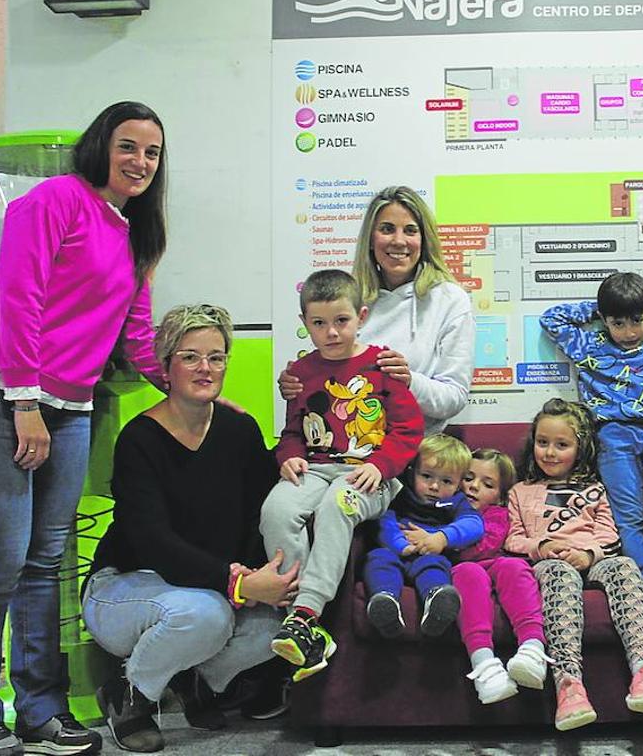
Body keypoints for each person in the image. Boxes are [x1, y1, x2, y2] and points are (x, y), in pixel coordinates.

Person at [0, 101, 169, 756]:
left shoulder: (138, 234)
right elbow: (18, 297)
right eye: (128, 146)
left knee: (44, 562)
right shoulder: (53, 202)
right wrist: (24, 402)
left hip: (70, 407)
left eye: (152, 153)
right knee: (1, 558)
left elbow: (137, 338)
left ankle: (40, 712)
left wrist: (192, 393)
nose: (140, 162)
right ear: (101, 145)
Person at [84, 304, 297, 752]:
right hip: (126, 587)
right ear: (166, 364)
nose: (206, 368)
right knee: (205, 615)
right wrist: (238, 583)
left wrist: (265, 578)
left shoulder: (240, 430)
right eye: (190, 356)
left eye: (217, 357)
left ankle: (194, 680)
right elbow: (154, 544)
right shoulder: (139, 439)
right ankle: (129, 695)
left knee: (283, 626)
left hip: (207, 586)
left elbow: (262, 510)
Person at [261, 269, 424, 681]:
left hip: (369, 475)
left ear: (361, 316)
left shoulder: (382, 365)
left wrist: (380, 465)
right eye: (319, 323)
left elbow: (408, 430)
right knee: (276, 509)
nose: (331, 332)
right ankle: (301, 623)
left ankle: (307, 611)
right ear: (305, 325)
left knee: (338, 504)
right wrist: (290, 456)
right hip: (315, 469)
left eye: (341, 321)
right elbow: (295, 431)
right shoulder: (301, 372)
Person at [506, 398, 643, 731]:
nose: (550, 452)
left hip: (592, 558)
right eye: (543, 443)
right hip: (548, 563)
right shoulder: (521, 491)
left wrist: (589, 554)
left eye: (561, 445)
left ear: (580, 450)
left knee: (624, 565)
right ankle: (569, 686)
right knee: (561, 573)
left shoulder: (593, 490)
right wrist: (544, 546)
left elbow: (609, 534)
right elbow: (512, 539)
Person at [540, 273, 643, 588]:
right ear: (604, 320)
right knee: (628, 511)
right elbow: (551, 319)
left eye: (636, 319)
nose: (629, 332)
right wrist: (601, 308)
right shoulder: (588, 344)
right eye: (618, 323)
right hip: (613, 436)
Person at [280, 185, 475, 434]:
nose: (398, 240)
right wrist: (299, 381)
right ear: (371, 239)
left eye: (410, 230)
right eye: (387, 229)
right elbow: (333, 371)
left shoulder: (450, 300)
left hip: (415, 451)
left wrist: (409, 380)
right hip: (348, 447)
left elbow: (454, 397)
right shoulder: (349, 294)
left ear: (424, 240)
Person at [451, 448, 550, 705]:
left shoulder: (496, 514)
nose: (473, 487)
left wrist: (449, 540)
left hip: (495, 563)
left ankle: (532, 650)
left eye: (487, 484)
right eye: (468, 477)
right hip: (465, 571)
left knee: (515, 567)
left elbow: (486, 545)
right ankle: (484, 666)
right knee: (468, 572)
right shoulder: (447, 507)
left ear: (500, 496)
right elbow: (462, 559)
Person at [363, 434, 481, 638]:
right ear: (412, 473)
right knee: (378, 559)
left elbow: (474, 524)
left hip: (430, 553)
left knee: (434, 565)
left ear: (459, 483)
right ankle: (385, 602)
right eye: (427, 476)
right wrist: (401, 545)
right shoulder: (401, 493)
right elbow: (385, 519)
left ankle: (436, 601)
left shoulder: (456, 502)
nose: (435, 486)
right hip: (395, 550)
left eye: (446, 481)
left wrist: (440, 538)